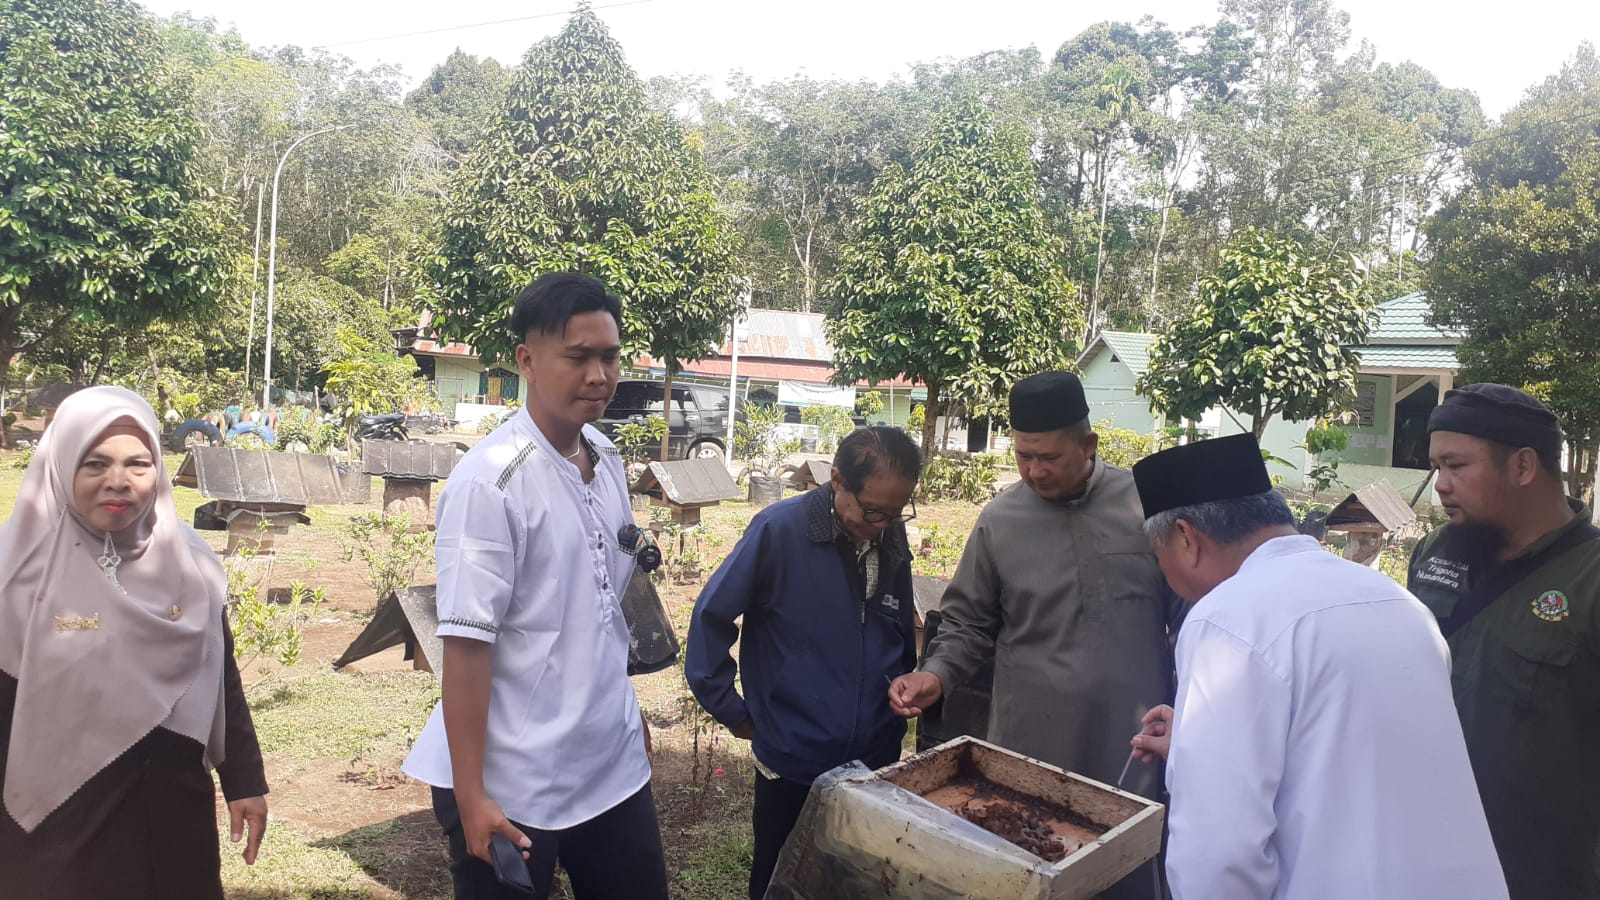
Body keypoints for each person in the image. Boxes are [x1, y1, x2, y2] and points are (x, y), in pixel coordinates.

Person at [1126, 433, 1506, 899]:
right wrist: (1195, 742)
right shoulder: (1397, 603)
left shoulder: (1227, 618)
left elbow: (1219, 855)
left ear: (1185, 538)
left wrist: (1205, 756)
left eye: (1160, 560)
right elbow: (1345, 755)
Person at [402, 272, 668, 900]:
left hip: (608, 766)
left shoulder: (605, 459)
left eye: (609, 356)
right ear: (527, 360)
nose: (599, 375)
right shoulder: (491, 482)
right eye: (578, 357)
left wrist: (622, 717)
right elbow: (467, 646)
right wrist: (471, 797)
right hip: (511, 781)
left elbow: (603, 606)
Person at [888, 372, 1179, 898]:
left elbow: (1189, 614)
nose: (1034, 471)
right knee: (1025, 864)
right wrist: (936, 673)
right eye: (1024, 457)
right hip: (1028, 744)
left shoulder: (1146, 506)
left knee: (1126, 865)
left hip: (1130, 742)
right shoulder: (1000, 520)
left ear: (1088, 445)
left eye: (1049, 458)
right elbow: (967, 622)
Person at [0, 386, 269, 898]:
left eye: (138, 464)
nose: (118, 482)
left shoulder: (189, 567)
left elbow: (219, 676)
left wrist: (245, 781)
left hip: (171, 818)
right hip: (55, 827)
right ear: (61, 466)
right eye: (95, 464)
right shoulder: (13, 574)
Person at [687, 426, 922, 900]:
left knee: (857, 879)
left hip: (873, 757)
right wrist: (732, 710)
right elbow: (711, 614)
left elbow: (896, 621)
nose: (882, 523)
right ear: (837, 480)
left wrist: (905, 679)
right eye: (872, 510)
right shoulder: (779, 530)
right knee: (783, 880)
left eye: (896, 512)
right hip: (793, 756)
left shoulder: (888, 532)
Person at [1406, 384, 1600, 899]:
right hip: (1430, 855)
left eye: (1456, 466)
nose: (1440, 485)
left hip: (1541, 873)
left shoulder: (1591, 580)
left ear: (1523, 467)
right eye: (1436, 467)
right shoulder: (1435, 553)